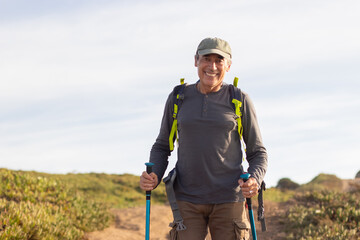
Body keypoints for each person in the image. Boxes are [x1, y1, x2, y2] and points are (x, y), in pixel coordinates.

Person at [140, 37, 268, 240]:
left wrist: (254, 178)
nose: (212, 66)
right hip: (187, 200)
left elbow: (257, 152)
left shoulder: (239, 99)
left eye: (219, 60)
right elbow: (162, 145)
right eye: (206, 59)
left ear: (228, 65)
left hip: (229, 199)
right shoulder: (178, 97)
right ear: (196, 61)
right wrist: (154, 173)